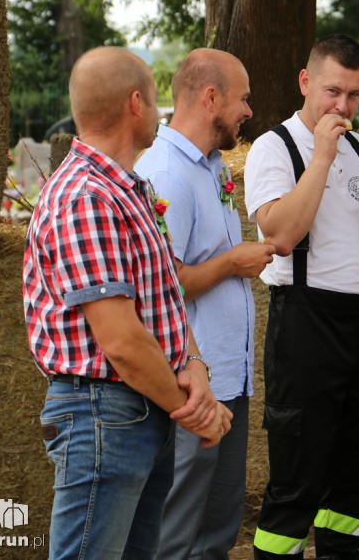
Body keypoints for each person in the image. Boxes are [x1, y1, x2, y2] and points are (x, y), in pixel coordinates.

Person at [23, 46, 233, 560]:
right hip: (103, 416)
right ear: (136, 104)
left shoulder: (127, 188)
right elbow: (119, 339)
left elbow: (163, 294)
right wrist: (192, 409)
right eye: (157, 100)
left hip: (135, 413)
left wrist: (195, 365)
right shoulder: (86, 197)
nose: (161, 112)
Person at [244, 35, 359, 560]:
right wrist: (321, 158)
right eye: (333, 91)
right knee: (298, 475)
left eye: (354, 95)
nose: (343, 107)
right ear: (305, 82)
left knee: (357, 470)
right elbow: (280, 235)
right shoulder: (272, 147)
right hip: (305, 323)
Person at [135, 48, 275, 559]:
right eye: (243, 99)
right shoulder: (166, 172)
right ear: (210, 98)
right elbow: (160, 283)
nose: (249, 111)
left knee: (219, 525)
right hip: (190, 385)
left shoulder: (213, 167)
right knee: (177, 532)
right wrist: (233, 263)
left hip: (227, 377)